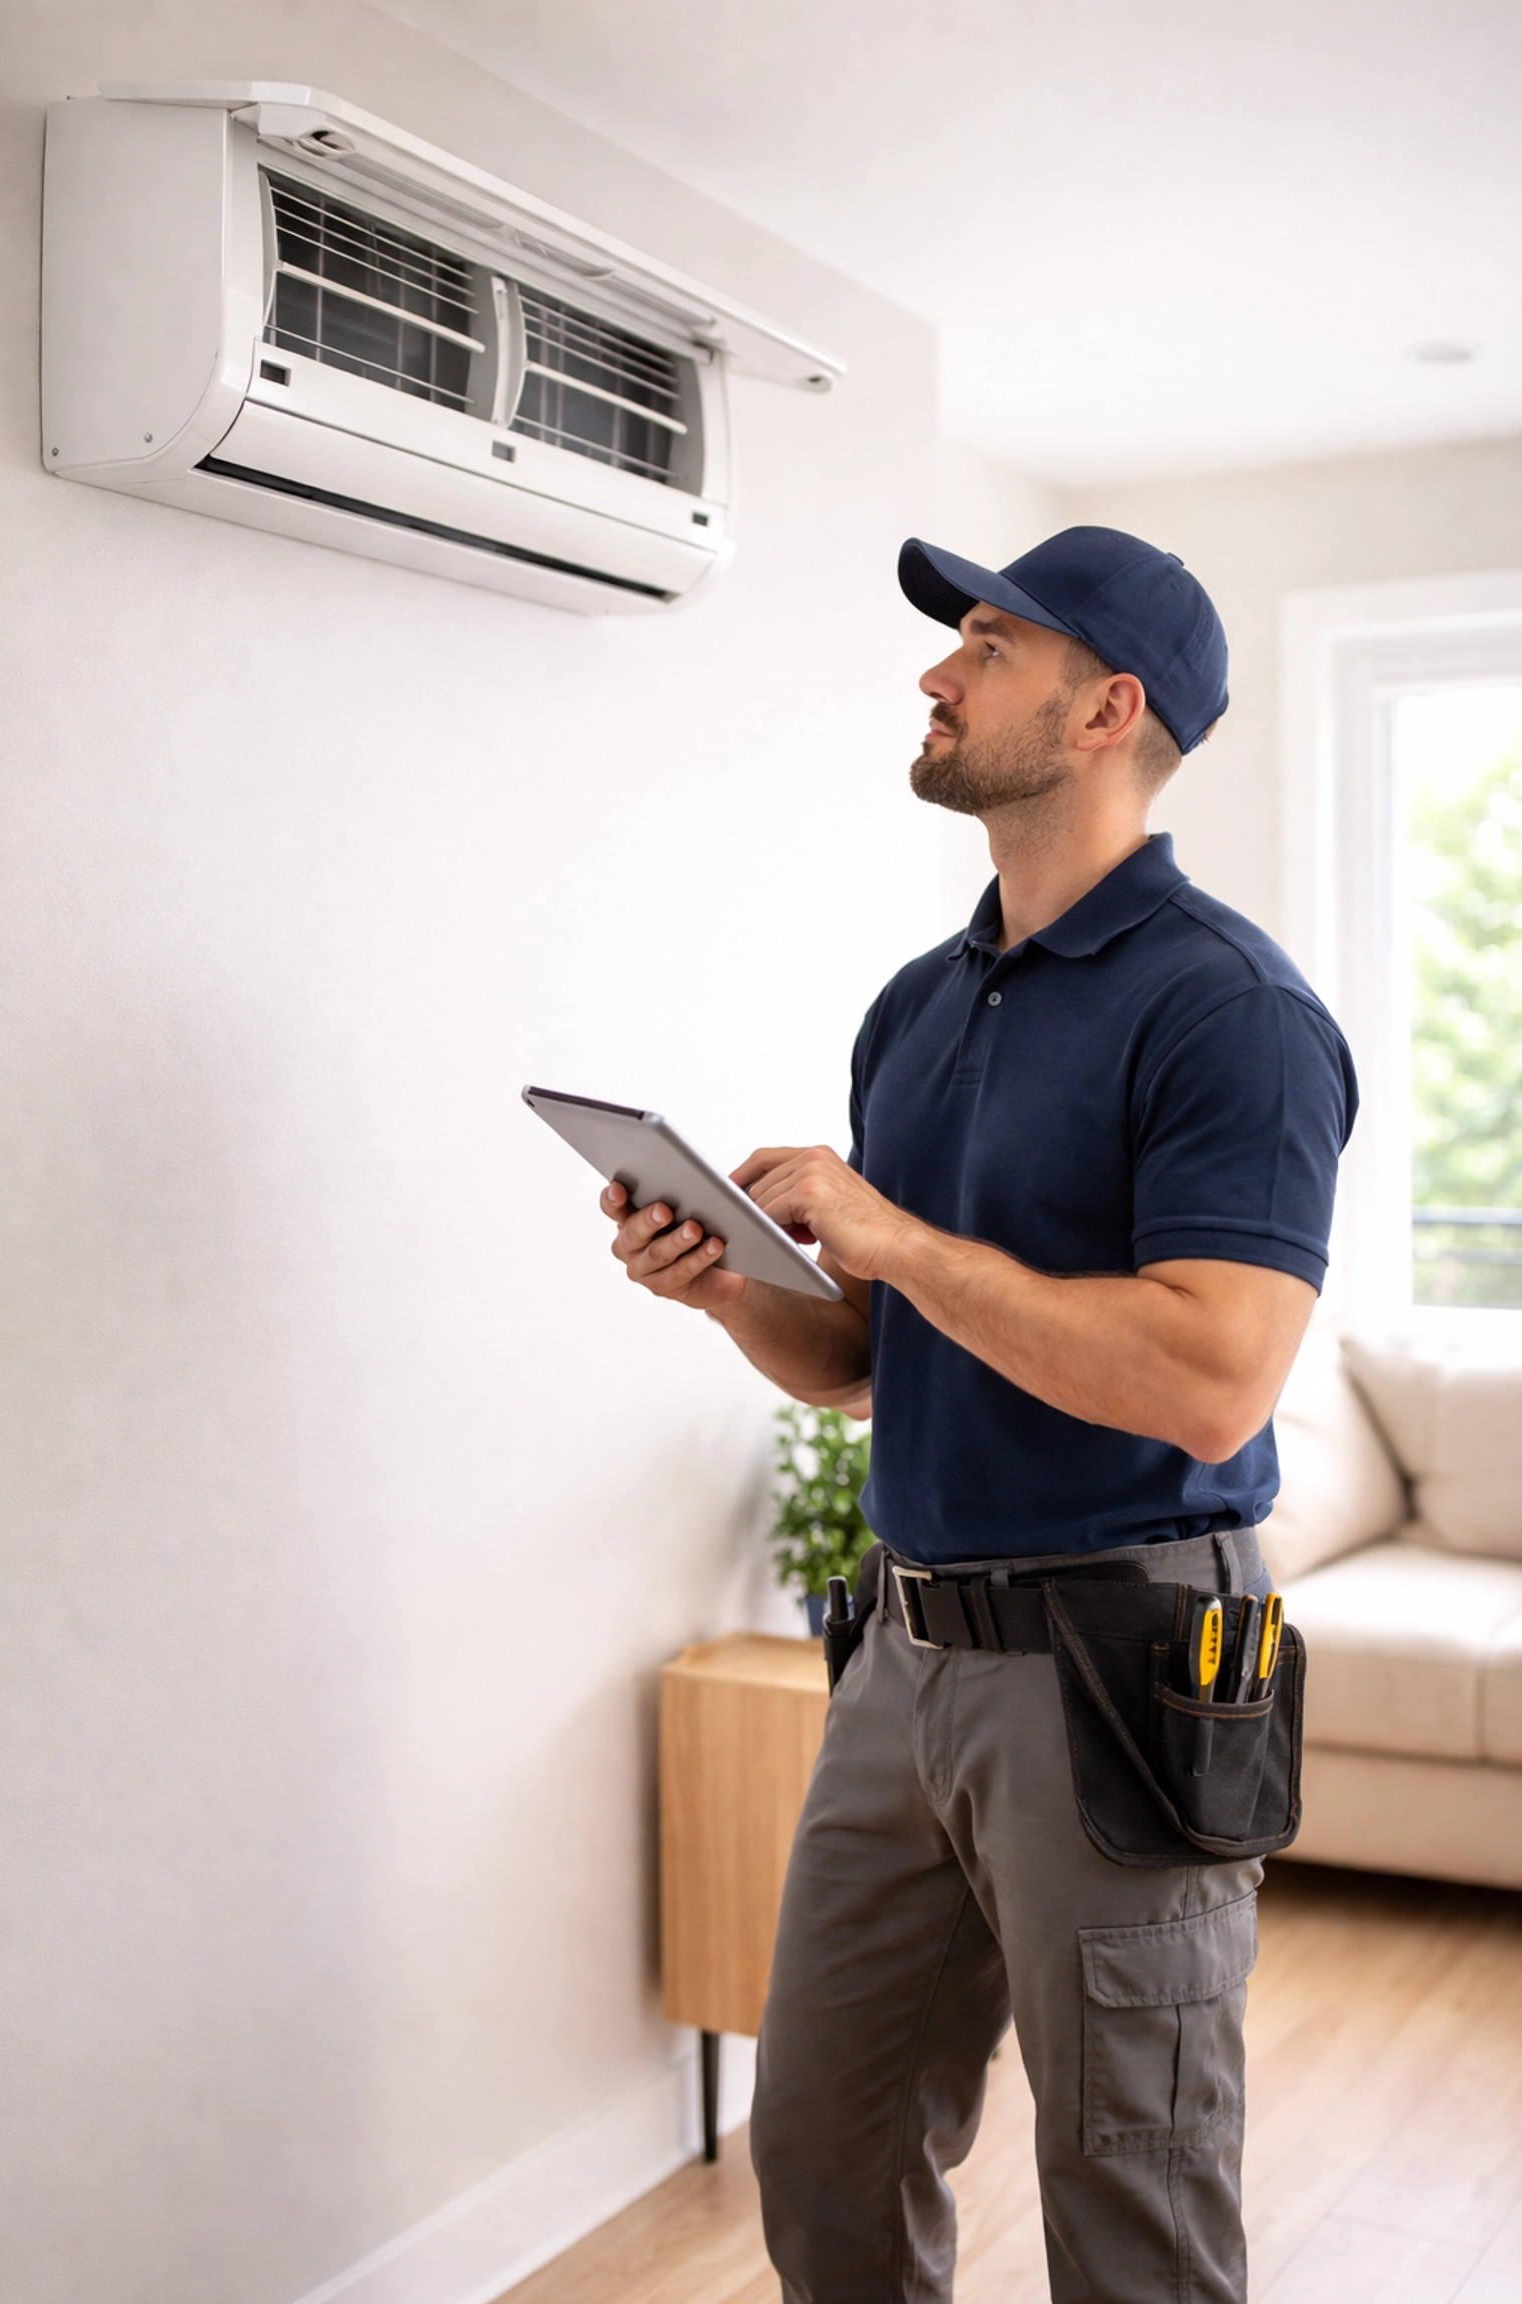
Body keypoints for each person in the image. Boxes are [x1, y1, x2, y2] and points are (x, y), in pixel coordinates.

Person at [601, 526, 1356, 2304]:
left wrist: (900, 1237)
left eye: (990, 648)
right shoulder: (920, 1008)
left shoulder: (1232, 1013)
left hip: (1123, 1661)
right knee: (829, 2148)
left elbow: (1210, 1372)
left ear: (1107, 709)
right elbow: (875, 1356)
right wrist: (730, 1281)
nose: (938, 675)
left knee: (1132, 2197)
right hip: (905, 1662)